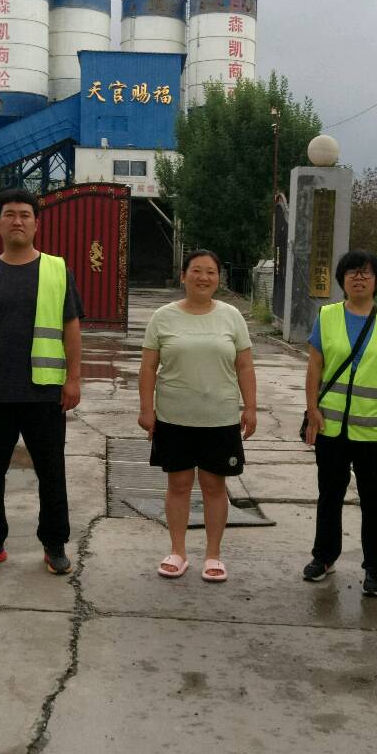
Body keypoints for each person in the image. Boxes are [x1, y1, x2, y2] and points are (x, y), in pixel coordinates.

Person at [0, 189, 84, 575]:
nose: (17, 221)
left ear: (36, 223)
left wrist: (73, 378)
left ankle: (54, 544)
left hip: (44, 392)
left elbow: (71, 327)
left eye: (25, 215)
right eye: (9, 214)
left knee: (51, 472)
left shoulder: (57, 270)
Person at [138, 249, 256, 582]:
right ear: (184, 276)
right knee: (178, 484)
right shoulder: (163, 317)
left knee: (214, 486)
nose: (203, 277)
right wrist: (146, 409)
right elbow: (148, 367)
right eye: (196, 271)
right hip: (173, 416)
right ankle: (177, 552)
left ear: (218, 278)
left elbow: (245, 366)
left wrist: (250, 407)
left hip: (220, 417)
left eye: (210, 272)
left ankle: (213, 555)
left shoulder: (231, 316)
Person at [301, 250, 377, 597]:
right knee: (329, 495)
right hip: (330, 425)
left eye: (365, 273)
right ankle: (324, 557)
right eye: (352, 272)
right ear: (342, 279)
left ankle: (376, 568)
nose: (358, 278)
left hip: (374, 429)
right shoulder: (327, 315)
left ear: (376, 281)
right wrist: (312, 409)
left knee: (374, 499)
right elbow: (315, 366)